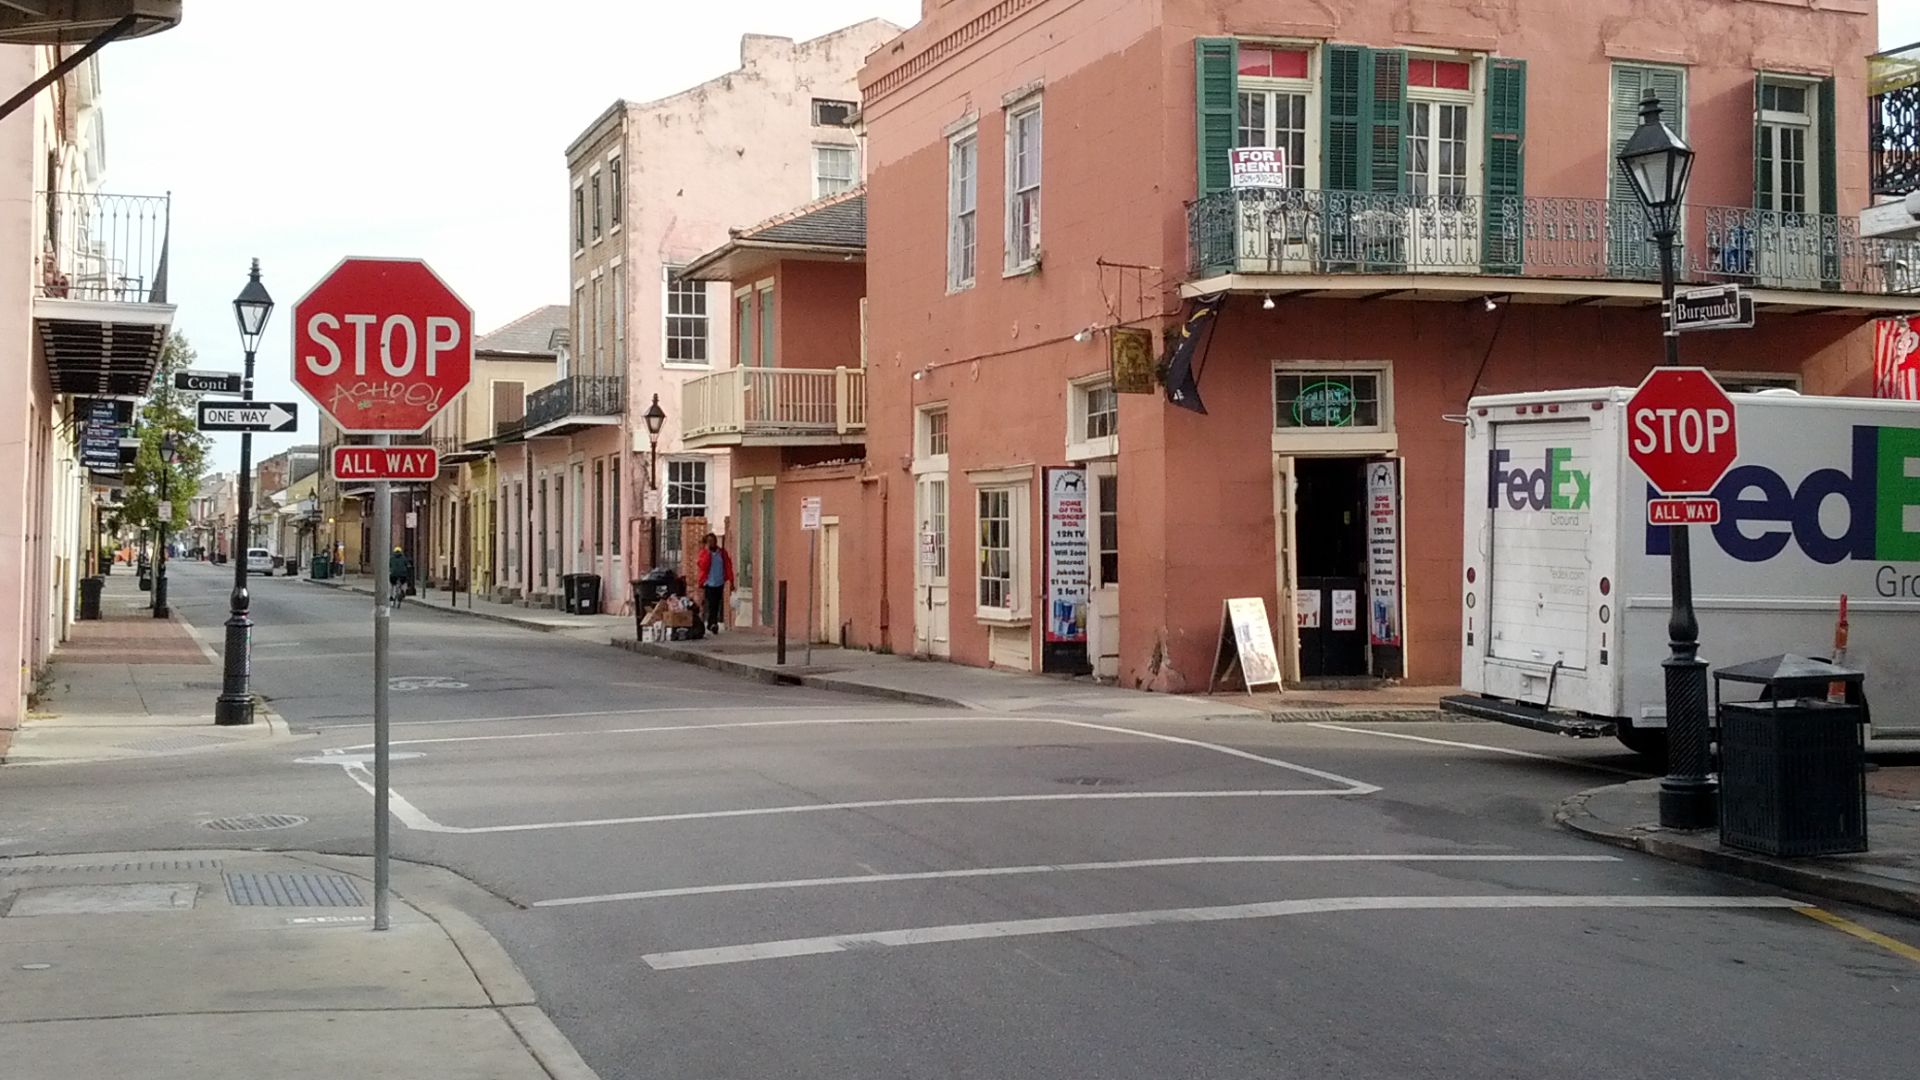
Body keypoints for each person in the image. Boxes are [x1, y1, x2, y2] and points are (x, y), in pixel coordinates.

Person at [695, 533, 733, 634]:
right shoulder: (704, 553)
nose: (711, 543)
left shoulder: (722, 553)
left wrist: (731, 580)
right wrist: (708, 553)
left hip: (719, 582)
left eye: (713, 541)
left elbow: (728, 566)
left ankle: (712, 622)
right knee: (711, 603)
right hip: (709, 582)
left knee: (717, 603)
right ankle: (713, 623)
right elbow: (703, 566)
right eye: (709, 541)